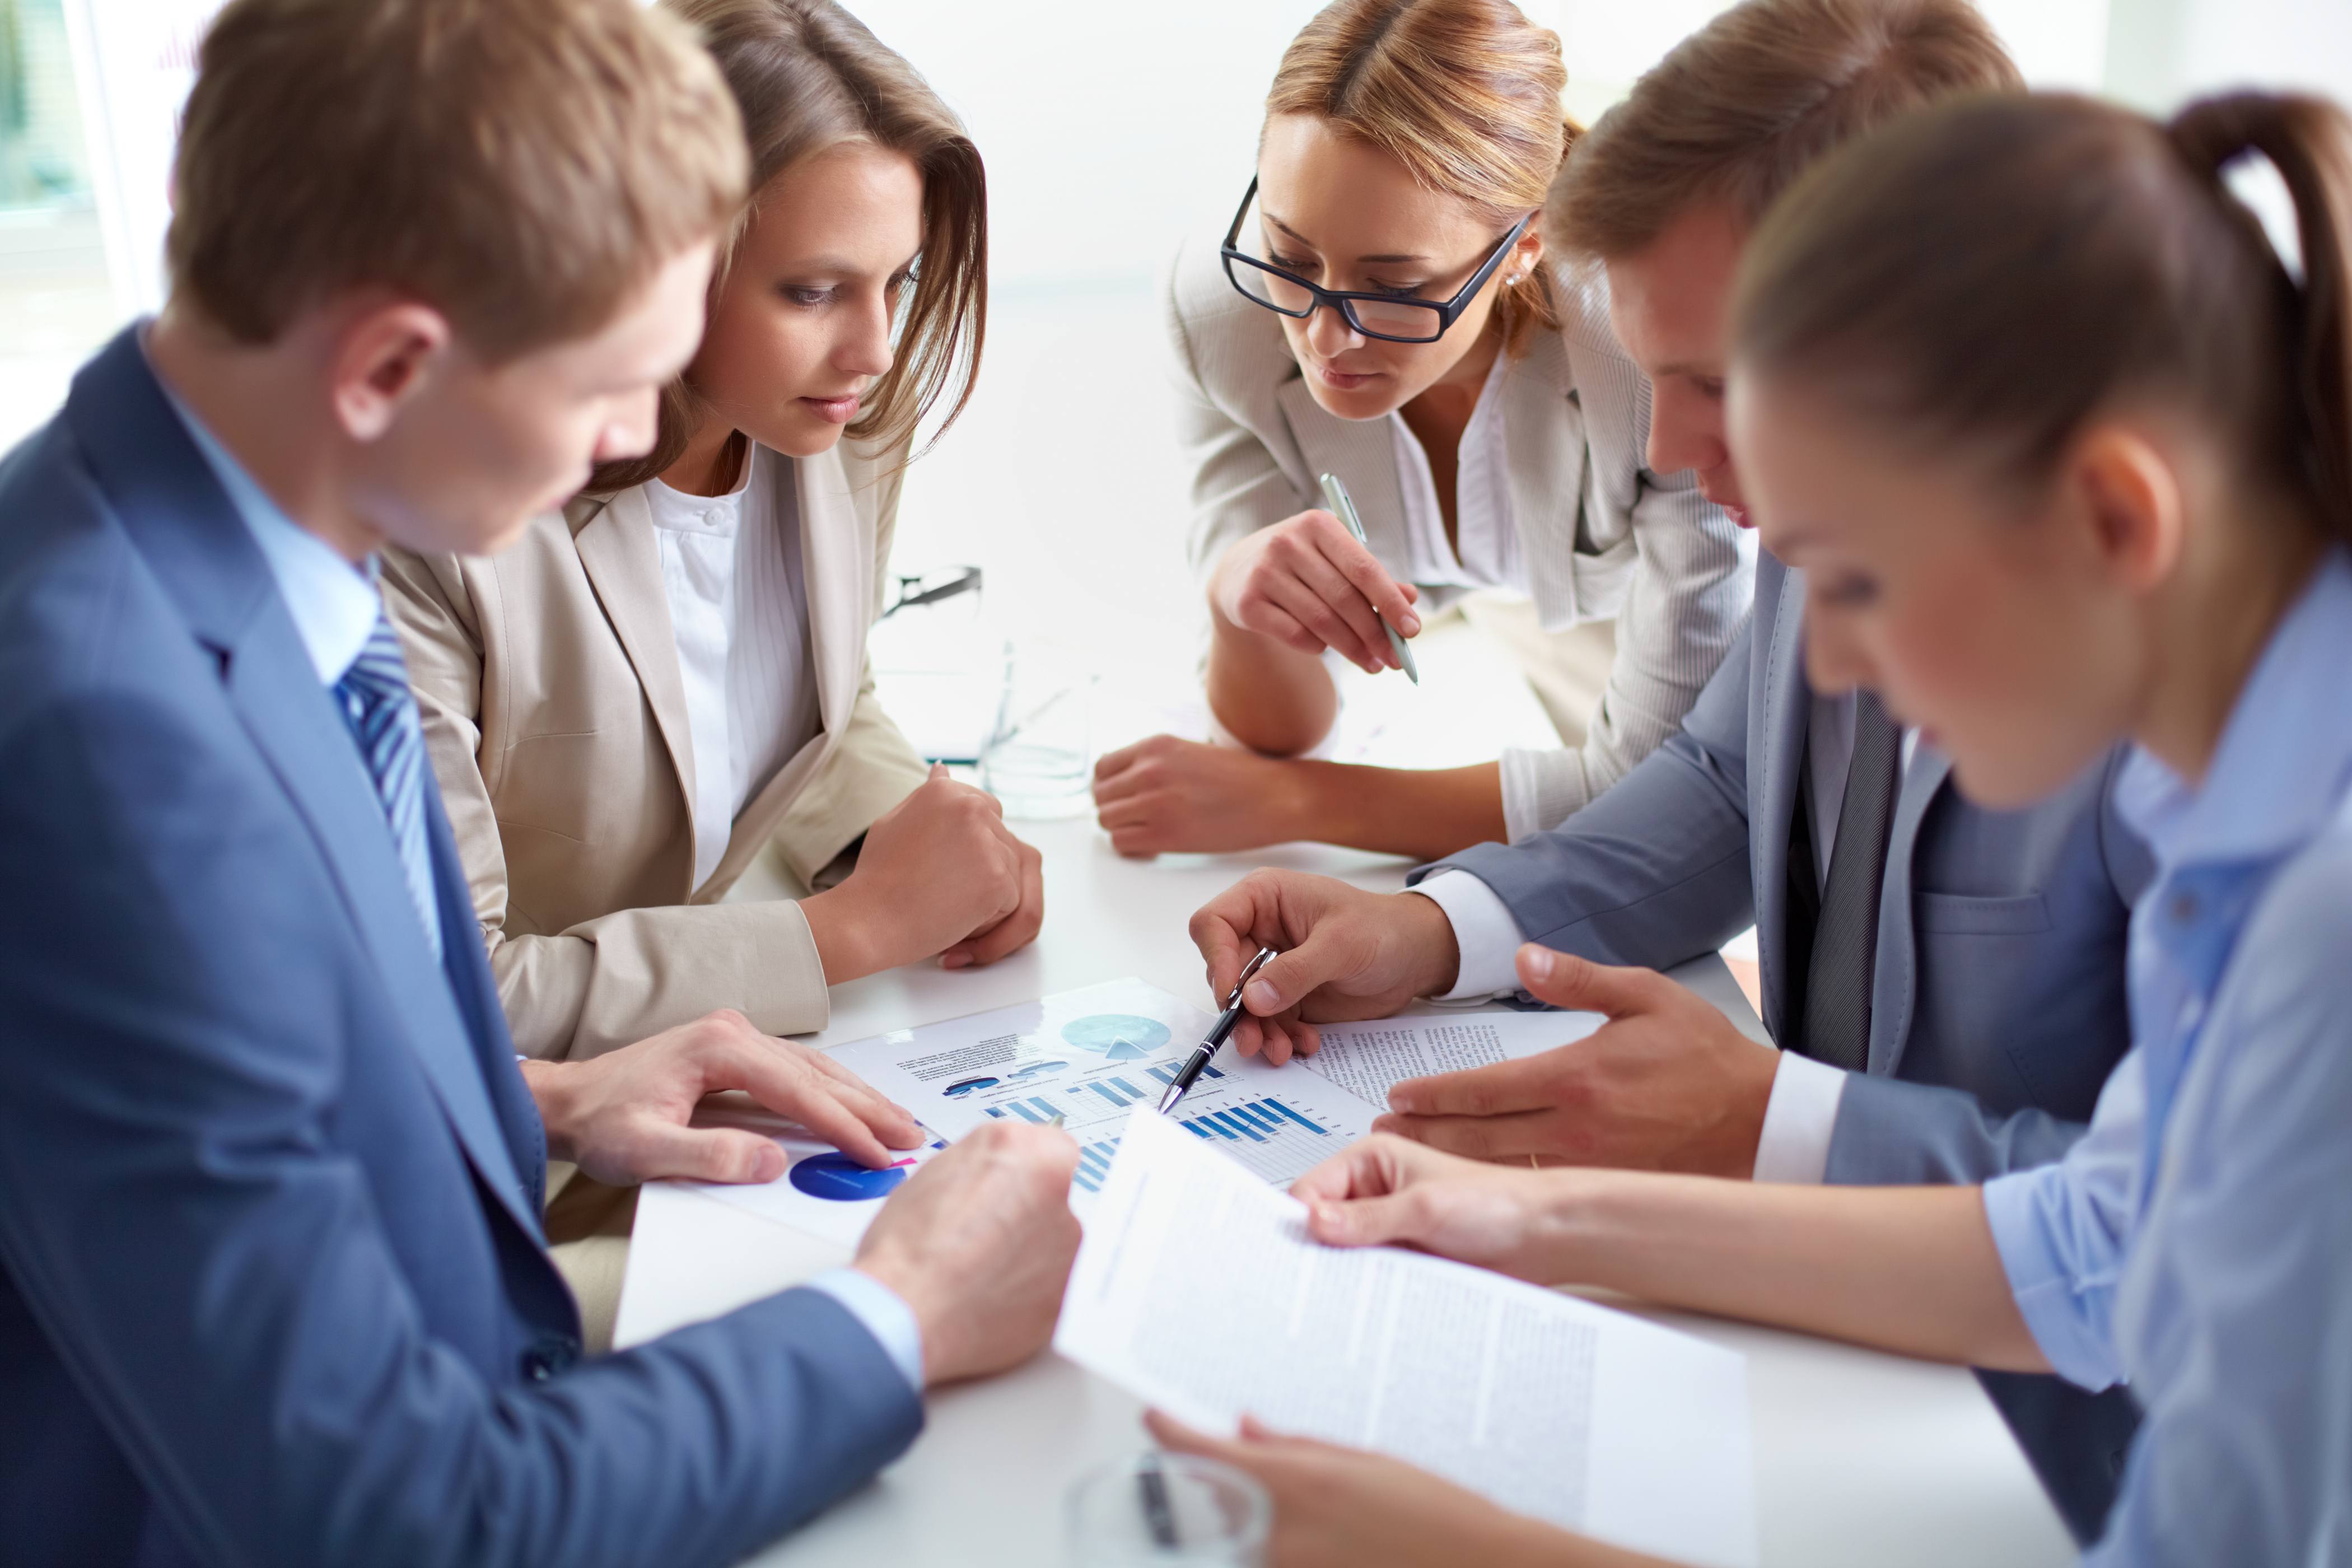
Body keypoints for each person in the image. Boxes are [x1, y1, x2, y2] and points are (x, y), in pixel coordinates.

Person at [1164, 84, 2352, 1568]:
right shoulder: (2252, 822)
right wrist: (1529, 1223)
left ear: (2115, 520)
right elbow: (2098, 1244)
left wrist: (1476, 1550)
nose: (1832, 670)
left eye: (1855, 586)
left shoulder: (2320, 923)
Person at [0, 2, 1078, 1563]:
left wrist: (549, 1102)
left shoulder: (216, 550)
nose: (644, 439)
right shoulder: (109, 752)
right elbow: (396, 1518)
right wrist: (898, 1319)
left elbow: (235, 1110)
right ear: (388, 364)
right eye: (606, 387)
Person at [381, 0, 1035, 1347]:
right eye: (813, 290)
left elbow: (799, 690)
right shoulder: (437, 519)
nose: (874, 348)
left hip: (736, 1091)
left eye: (900, 283)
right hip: (508, 1176)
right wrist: (843, 934)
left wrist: (897, 827)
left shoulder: (839, 415)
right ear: (653, 262)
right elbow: (461, 994)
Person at [1089, 0, 1749, 862]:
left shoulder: (1649, 349)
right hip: (1508, 617)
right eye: (1292, 259)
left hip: (1629, 613)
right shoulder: (1221, 315)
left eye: (1396, 287)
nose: (1327, 339)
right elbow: (1273, 738)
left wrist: (1302, 804)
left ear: (1526, 243)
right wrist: (1235, 592)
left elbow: (1663, 791)